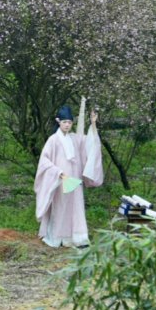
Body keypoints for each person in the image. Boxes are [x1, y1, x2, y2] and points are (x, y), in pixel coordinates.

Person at [34, 101, 104, 248]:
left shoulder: (74, 138)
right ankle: (58, 238)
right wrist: (58, 173)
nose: (67, 125)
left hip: (75, 179)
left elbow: (89, 145)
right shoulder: (53, 140)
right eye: (65, 122)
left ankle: (78, 238)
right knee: (61, 207)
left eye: (70, 122)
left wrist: (92, 124)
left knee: (76, 207)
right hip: (61, 180)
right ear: (58, 122)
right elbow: (44, 162)